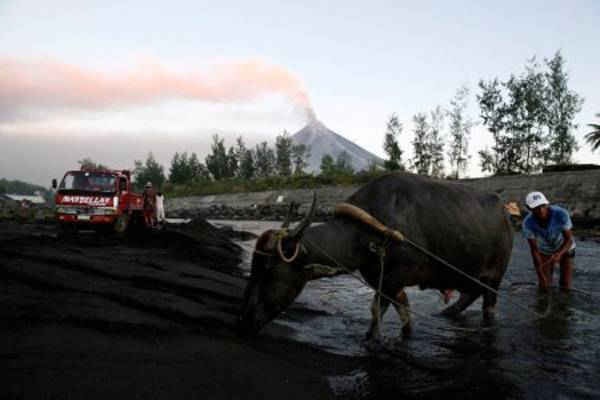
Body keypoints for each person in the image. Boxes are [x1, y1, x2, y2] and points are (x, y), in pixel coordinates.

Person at [522, 191, 575, 291]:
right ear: (529, 208)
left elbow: (569, 240)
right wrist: (540, 274)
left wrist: (559, 254)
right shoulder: (527, 223)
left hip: (565, 247)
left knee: (565, 283)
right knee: (545, 283)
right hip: (545, 249)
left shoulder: (561, 214)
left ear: (547, 204)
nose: (541, 210)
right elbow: (534, 250)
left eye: (543, 206)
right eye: (536, 208)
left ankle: (563, 304)